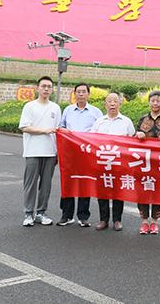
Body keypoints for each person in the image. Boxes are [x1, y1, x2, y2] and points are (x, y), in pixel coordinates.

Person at [57, 83, 102, 227]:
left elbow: (100, 132)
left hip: (87, 153)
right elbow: (61, 127)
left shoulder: (95, 112)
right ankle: (66, 214)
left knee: (84, 182)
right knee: (68, 181)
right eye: (79, 92)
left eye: (84, 92)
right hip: (69, 152)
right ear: (74, 94)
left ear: (88, 94)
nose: (81, 94)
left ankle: (83, 216)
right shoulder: (68, 110)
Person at [19, 76, 61, 227]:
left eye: (49, 87)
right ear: (38, 88)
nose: (46, 89)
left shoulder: (55, 108)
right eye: (43, 86)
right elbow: (25, 127)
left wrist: (58, 152)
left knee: (46, 185)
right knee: (30, 184)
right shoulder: (29, 106)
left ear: (52, 90)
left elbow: (58, 131)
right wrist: (44, 131)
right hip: (32, 151)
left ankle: (41, 213)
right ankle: (28, 214)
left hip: (50, 152)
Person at [92, 93, 136, 232]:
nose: (112, 104)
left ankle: (117, 220)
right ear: (105, 104)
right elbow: (91, 140)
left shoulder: (126, 121)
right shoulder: (99, 121)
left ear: (119, 104)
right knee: (102, 191)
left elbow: (132, 140)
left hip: (119, 163)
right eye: (109, 101)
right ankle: (103, 220)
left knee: (118, 192)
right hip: (102, 162)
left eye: (115, 101)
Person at [136, 90, 160, 235]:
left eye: (158, 100)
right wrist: (138, 134)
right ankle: (144, 222)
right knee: (143, 190)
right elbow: (134, 139)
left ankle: (154, 222)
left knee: (158, 191)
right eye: (153, 101)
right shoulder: (142, 119)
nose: (155, 103)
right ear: (149, 102)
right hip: (144, 162)